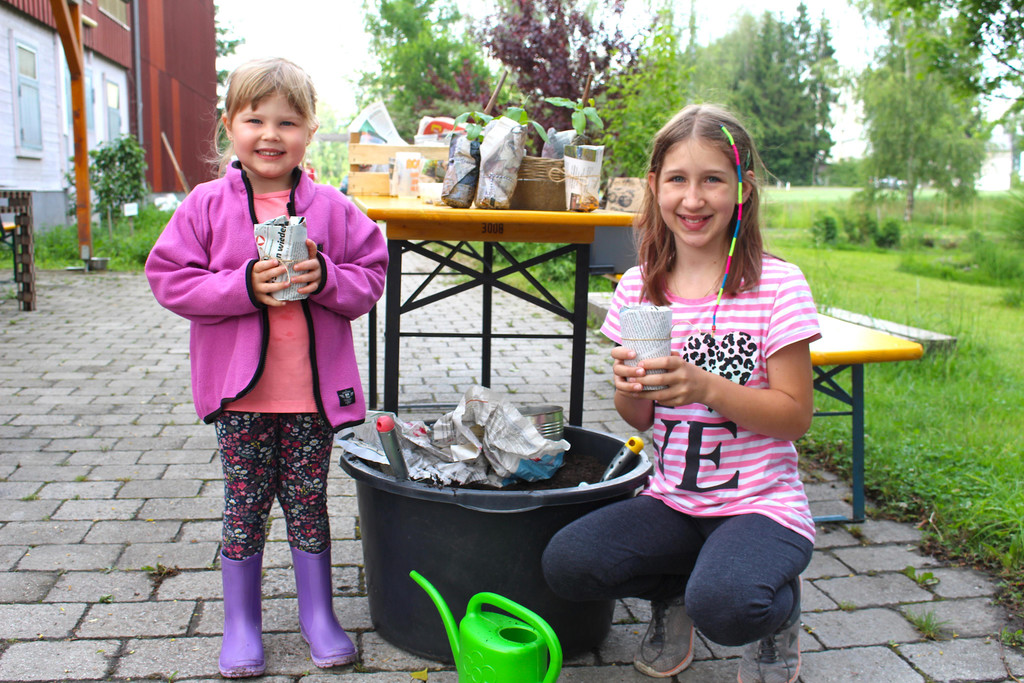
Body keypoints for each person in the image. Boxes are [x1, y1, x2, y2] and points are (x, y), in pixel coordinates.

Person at [542, 103, 821, 682]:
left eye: (712, 179)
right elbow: (639, 419)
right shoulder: (639, 288)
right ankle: (675, 594)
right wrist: (628, 387)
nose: (693, 200)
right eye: (677, 180)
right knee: (568, 563)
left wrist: (707, 387)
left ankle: (777, 614)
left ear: (742, 188)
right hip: (673, 501)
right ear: (654, 185)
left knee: (728, 605)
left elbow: (795, 416)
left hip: (760, 506)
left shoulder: (777, 285)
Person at [146, 57, 387, 678]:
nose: (271, 135)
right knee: (245, 504)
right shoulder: (204, 205)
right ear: (229, 125)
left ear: (310, 131)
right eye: (255, 119)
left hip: (311, 398)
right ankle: (241, 624)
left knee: (308, 502)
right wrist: (241, 287)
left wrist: (328, 276)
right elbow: (168, 278)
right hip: (240, 398)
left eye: (288, 121)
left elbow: (371, 275)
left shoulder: (333, 207)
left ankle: (318, 616)